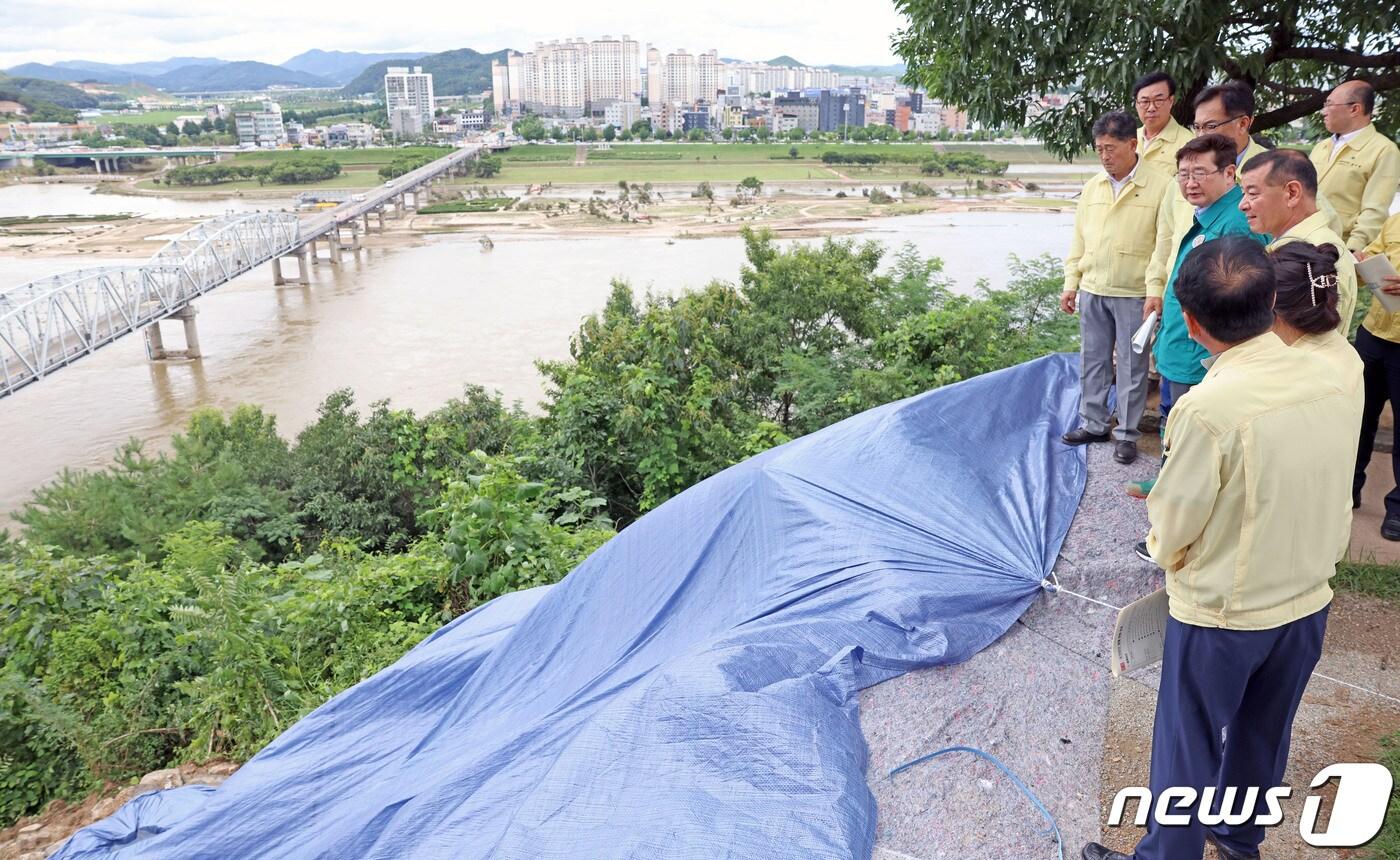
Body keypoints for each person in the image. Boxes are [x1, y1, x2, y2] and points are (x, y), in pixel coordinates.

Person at [1083, 237, 1356, 860]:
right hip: (1309, 597)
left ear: (1193, 322)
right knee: (1264, 732)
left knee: (1188, 746)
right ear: (1269, 303)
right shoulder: (1332, 373)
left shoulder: (1207, 408)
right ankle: (1238, 840)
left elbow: (1174, 523)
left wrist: (1168, 559)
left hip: (1225, 614)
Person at [1125, 135, 1266, 505]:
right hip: (1179, 343)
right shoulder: (1209, 213)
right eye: (1183, 174)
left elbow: (1234, 301)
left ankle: (1180, 511)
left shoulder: (1235, 222)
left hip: (1199, 352)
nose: (1190, 182)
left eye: (1200, 173)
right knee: (1173, 427)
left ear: (1229, 172)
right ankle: (1167, 486)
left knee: (1193, 437)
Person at [1060, 111, 1172, 464]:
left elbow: (1163, 245)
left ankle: (1126, 433)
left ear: (1132, 144)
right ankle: (1093, 423)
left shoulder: (1161, 186)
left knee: (1131, 365)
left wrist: (1155, 290)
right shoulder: (1093, 187)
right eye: (1099, 149)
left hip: (1134, 291)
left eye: (1111, 148)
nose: (1105, 156)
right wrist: (1071, 283)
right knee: (1092, 361)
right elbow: (1079, 240)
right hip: (1093, 287)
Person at [1239, 149, 1358, 332]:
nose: (1243, 205)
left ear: (1292, 193)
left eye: (1253, 194)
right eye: (1243, 193)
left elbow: (1311, 342)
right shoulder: (1293, 243)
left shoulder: (1315, 255)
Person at [1309, 81, 1400, 253]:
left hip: (1341, 247)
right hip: (1308, 241)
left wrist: (1352, 248)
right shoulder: (1321, 147)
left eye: (1330, 105)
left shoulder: (1383, 150)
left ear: (1354, 109)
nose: (1324, 112)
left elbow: (1375, 210)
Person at [1353, 211, 1400, 538]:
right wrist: (1361, 262)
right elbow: (1373, 253)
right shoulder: (1397, 220)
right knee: (1356, 418)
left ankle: (1397, 508)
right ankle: (1347, 489)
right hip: (1373, 334)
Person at [1132, 71, 1192, 174]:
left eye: (1158, 100)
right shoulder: (1129, 138)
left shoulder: (1189, 143)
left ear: (1171, 101)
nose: (1151, 108)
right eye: (1145, 102)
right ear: (1136, 104)